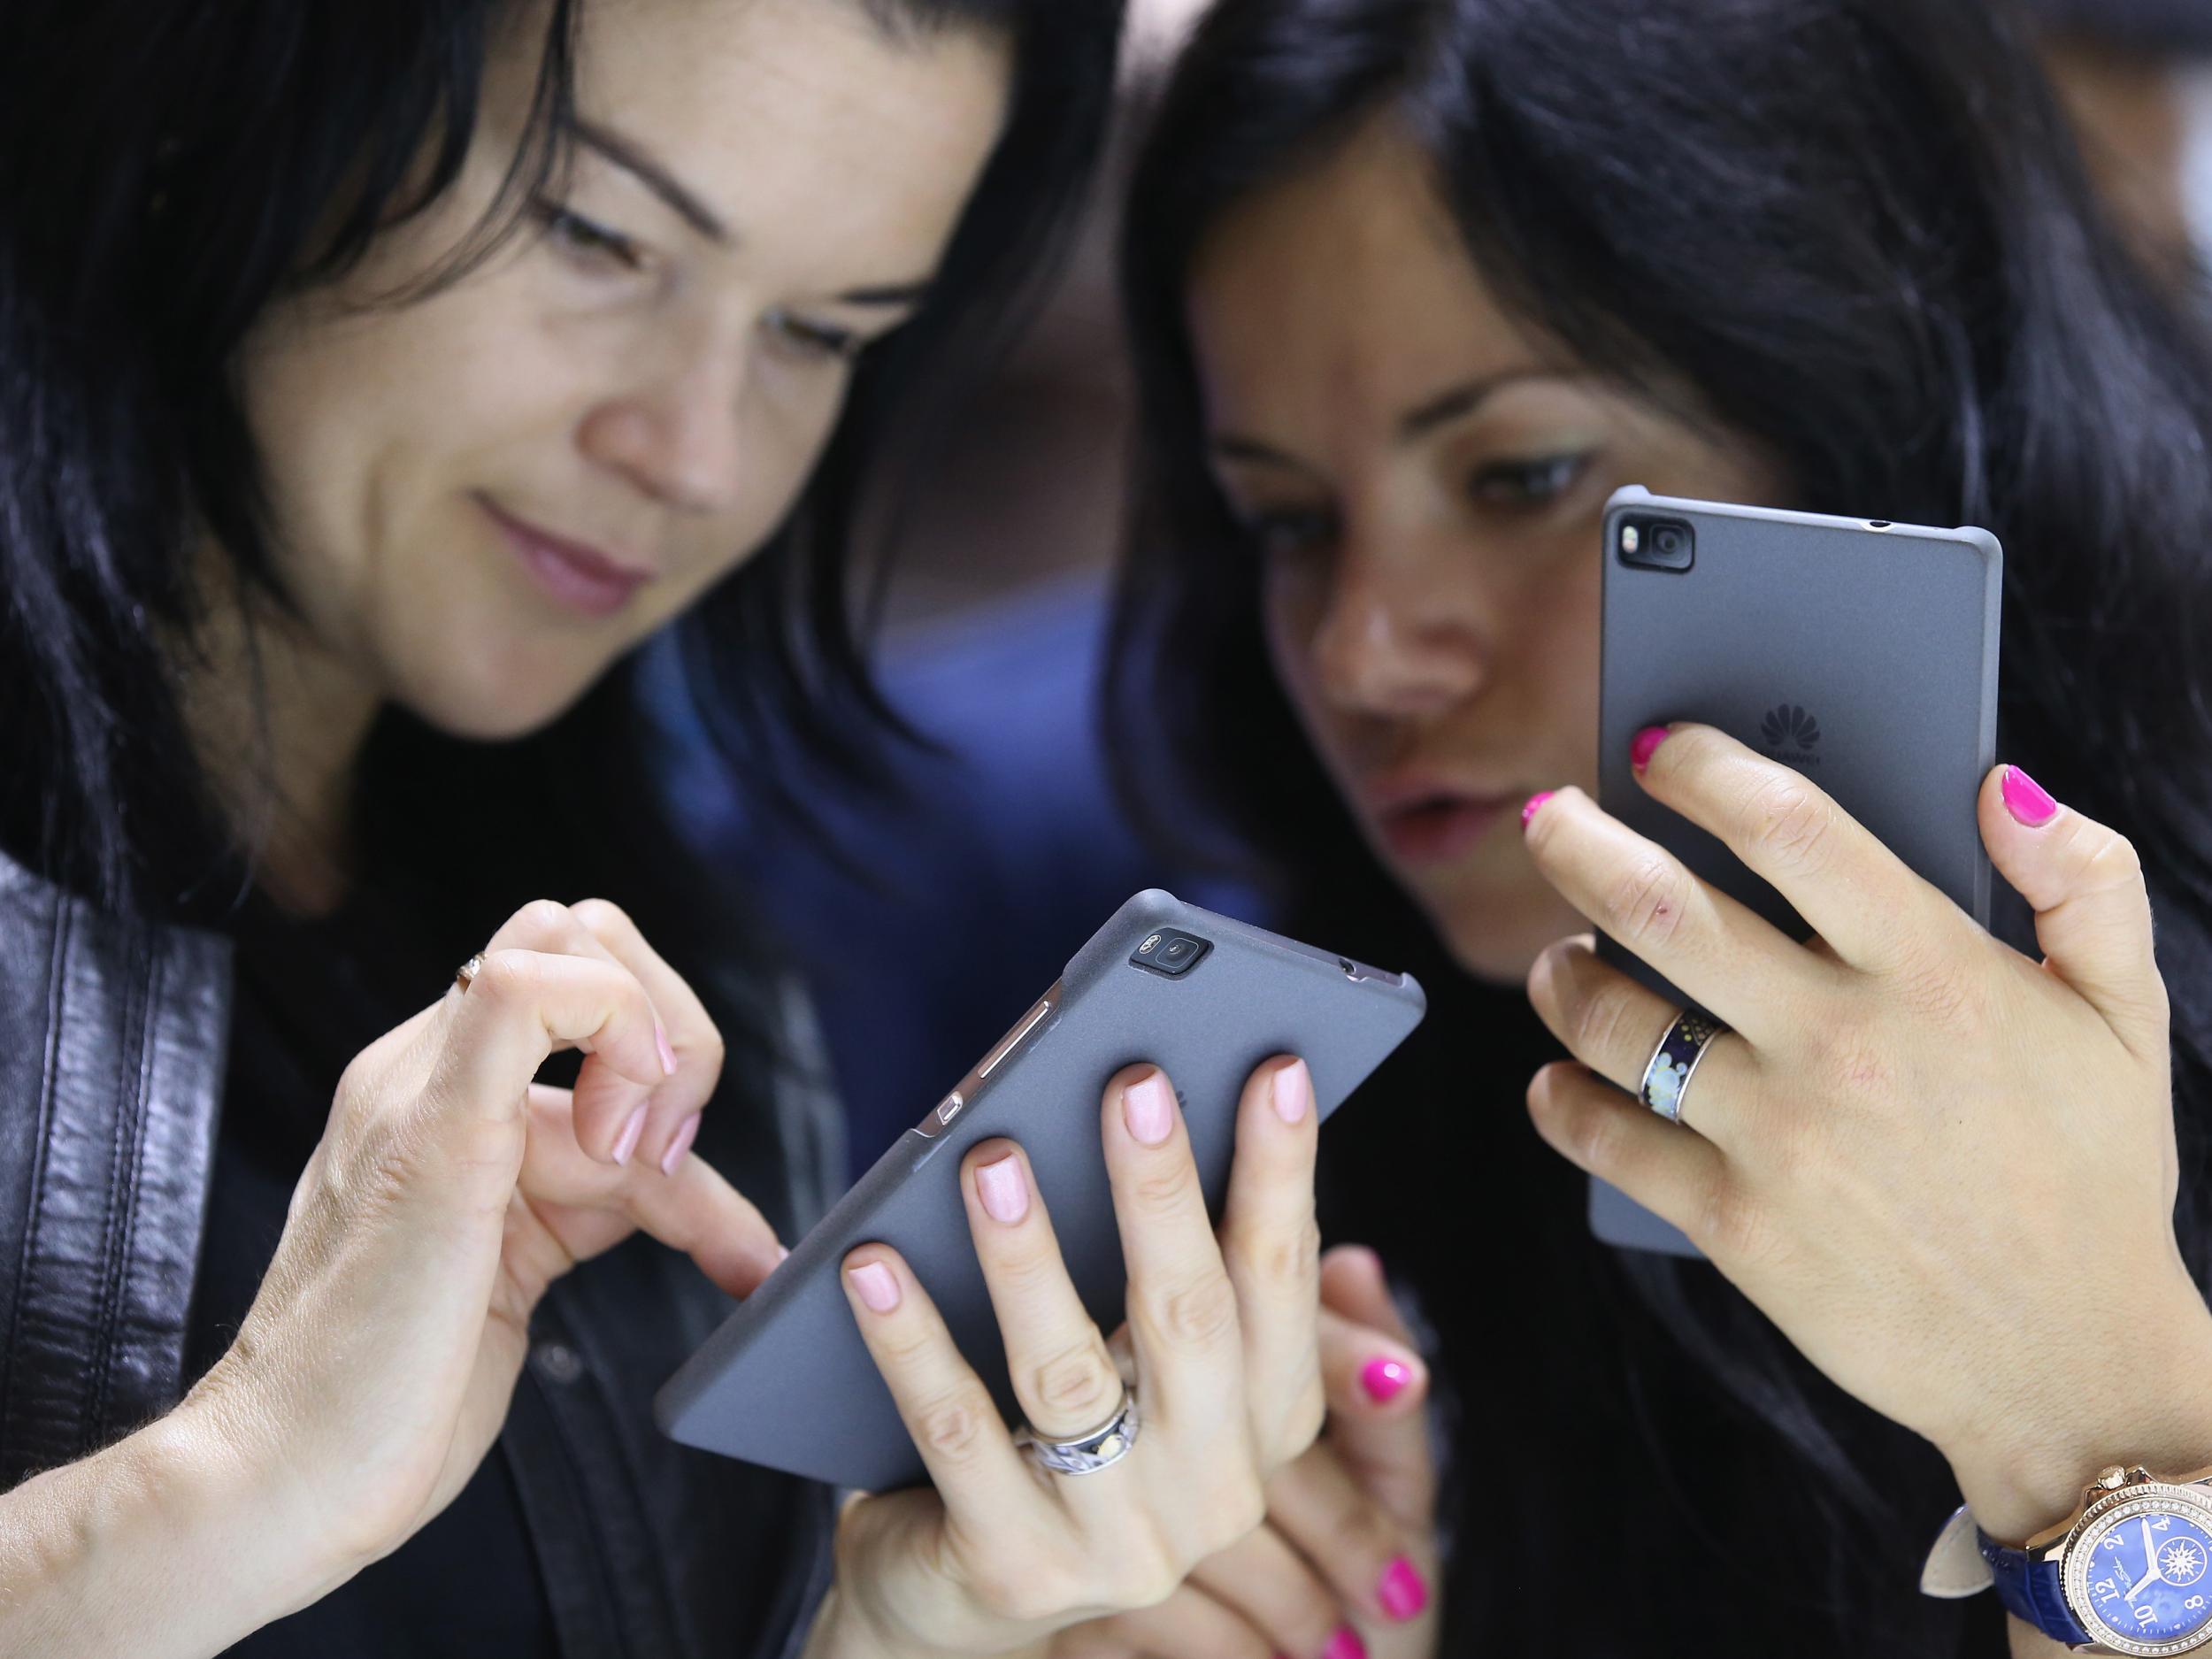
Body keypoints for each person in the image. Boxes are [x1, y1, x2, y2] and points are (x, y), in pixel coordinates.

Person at [0, 2, 1426, 1655]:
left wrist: (906, 1639)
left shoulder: (695, 998)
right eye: (599, 235)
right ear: (239, 104)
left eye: (824, 333)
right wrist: (217, 1492)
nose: (694, 452)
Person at [1110, 0, 2212, 1652]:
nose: (1361, 649)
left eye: (1521, 476)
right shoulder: (1300, 1137)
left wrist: (2094, 1420)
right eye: (1286, 521)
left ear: (1868, 428)